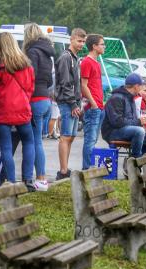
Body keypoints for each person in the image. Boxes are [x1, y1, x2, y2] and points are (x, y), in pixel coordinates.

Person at [0, 32, 36, 190]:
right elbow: (30, 88)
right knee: (29, 143)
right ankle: (28, 180)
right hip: (23, 109)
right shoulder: (27, 65)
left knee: (5, 147)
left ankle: (11, 182)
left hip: (3, 110)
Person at [24, 23, 55, 191]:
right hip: (46, 99)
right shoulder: (47, 53)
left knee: (34, 141)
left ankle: (40, 178)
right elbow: (50, 79)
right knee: (39, 141)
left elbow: (30, 76)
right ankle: (41, 178)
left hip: (34, 99)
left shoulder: (32, 52)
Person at [101, 73, 146, 161]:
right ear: (136, 86)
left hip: (126, 130)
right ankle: (134, 162)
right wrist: (138, 122)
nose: (141, 88)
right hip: (113, 132)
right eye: (141, 86)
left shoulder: (131, 98)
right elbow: (117, 122)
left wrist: (141, 124)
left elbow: (132, 120)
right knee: (139, 131)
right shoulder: (116, 98)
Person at [55, 27, 86, 180]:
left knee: (72, 136)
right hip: (67, 102)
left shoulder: (75, 58)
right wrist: (73, 104)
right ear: (71, 39)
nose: (81, 44)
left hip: (75, 102)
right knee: (65, 136)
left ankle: (65, 168)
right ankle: (62, 171)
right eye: (79, 41)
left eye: (83, 42)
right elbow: (65, 83)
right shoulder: (65, 57)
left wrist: (79, 103)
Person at [80, 33, 105, 170]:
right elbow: (83, 85)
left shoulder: (97, 62)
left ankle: (89, 168)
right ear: (94, 46)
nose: (104, 46)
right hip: (92, 107)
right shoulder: (87, 62)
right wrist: (94, 104)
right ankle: (87, 169)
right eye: (102, 44)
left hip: (99, 106)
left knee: (94, 139)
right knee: (90, 140)